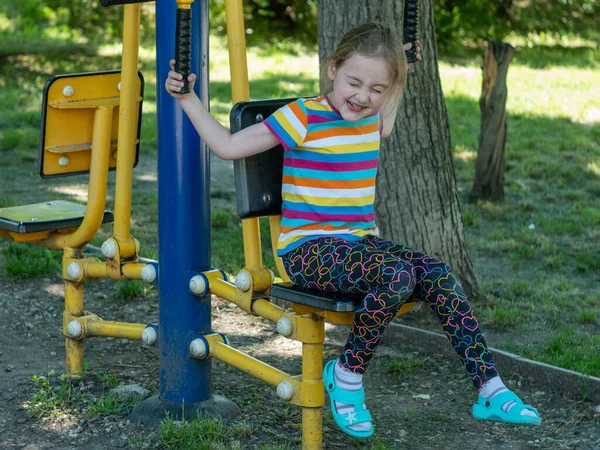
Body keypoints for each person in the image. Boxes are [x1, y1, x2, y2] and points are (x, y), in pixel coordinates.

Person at [166, 22, 542, 440]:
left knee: (436, 272)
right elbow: (228, 146)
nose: (363, 96)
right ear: (332, 69)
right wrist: (187, 99)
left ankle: (489, 387)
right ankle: (345, 376)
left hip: (357, 246)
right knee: (396, 275)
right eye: (354, 82)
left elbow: (391, 92)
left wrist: (404, 65)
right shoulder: (303, 115)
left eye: (377, 89)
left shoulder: (374, 117)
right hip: (307, 251)